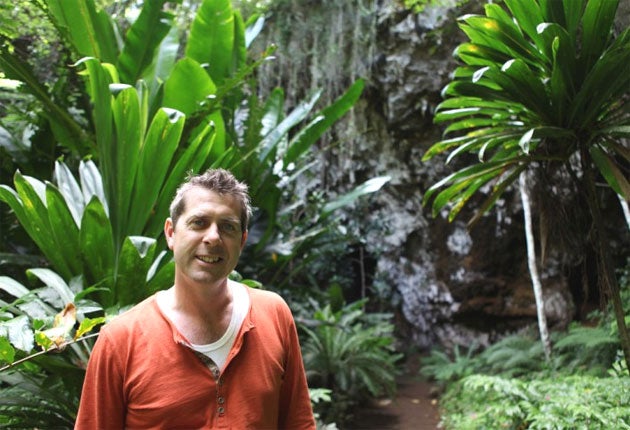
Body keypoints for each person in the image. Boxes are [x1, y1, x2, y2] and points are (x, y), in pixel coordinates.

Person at [75, 168, 316, 429]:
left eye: (228, 227)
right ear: (171, 233)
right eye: (199, 222)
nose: (213, 237)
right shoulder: (121, 340)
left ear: (242, 240)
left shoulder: (274, 314)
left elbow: (298, 422)